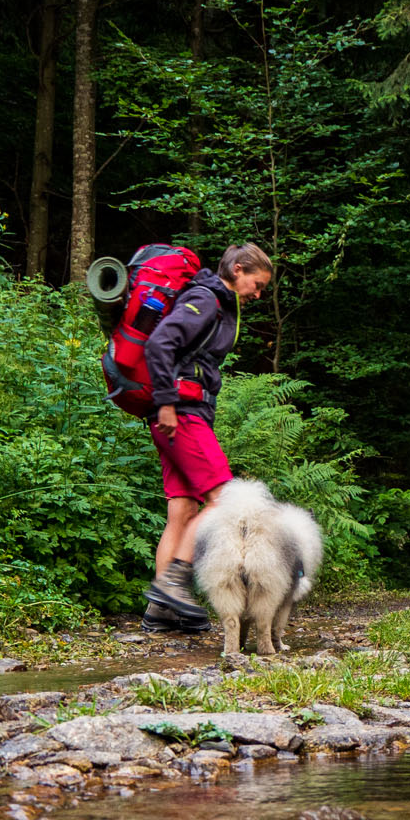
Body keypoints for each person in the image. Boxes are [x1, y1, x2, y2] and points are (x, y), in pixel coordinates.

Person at [140, 242, 274, 633]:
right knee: (224, 500)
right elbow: (159, 343)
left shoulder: (214, 301)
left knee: (182, 509)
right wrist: (166, 402)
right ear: (236, 268)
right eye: (256, 282)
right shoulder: (207, 299)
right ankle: (173, 584)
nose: (257, 292)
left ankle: (162, 612)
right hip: (182, 413)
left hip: (177, 412)